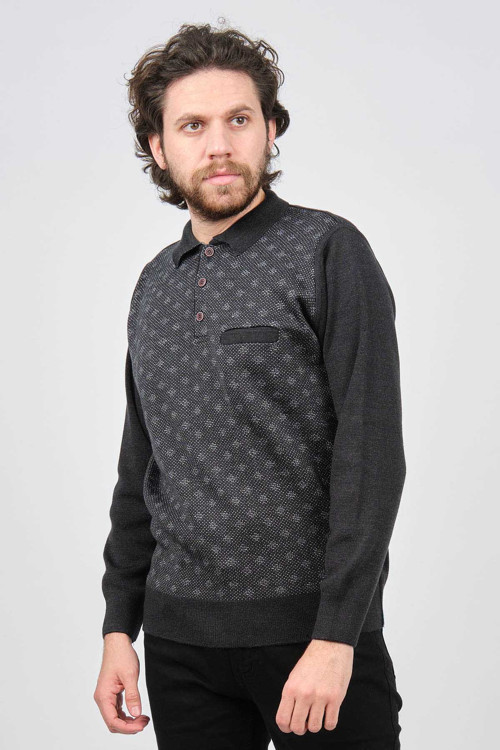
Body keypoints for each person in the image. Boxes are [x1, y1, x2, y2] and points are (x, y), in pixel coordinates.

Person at [94, 20, 406, 750]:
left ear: (270, 129)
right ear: (158, 147)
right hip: (179, 646)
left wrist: (338, 635)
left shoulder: (327, 250)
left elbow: (371, 456)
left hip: (313, 641)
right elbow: (141, 467)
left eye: (238, 119)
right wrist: (118, 627)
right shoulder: (153, 286)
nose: (219, 144)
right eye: (192, 125)